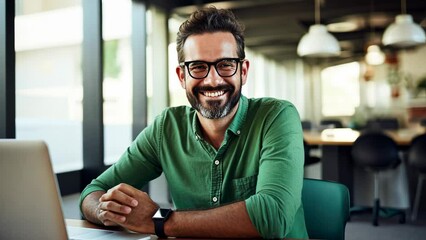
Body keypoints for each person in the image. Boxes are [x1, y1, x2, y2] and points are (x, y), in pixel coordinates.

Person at [79, 7, 308, 239]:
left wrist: (159, 221)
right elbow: (93, 192)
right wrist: (104, 209)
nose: (213, 80)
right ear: (182, 76)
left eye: (226, 64)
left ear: (243, 71)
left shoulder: (277, 116)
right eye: (198, 67)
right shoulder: (166, 128)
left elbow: (273, 216)